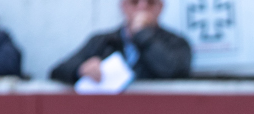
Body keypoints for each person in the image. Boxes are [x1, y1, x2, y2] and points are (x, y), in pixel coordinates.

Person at [49, 0, 191, 85]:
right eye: (134, 2)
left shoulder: (177, 43)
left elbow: (172, 70)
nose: (142, 7)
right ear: (124, 6)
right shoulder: (102, 41)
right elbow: (57, 71)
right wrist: (80, 70)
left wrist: (142, 34)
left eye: (151, 2)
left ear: (160, 7)